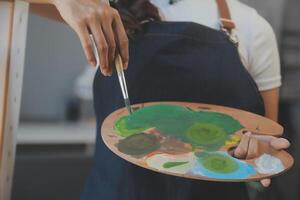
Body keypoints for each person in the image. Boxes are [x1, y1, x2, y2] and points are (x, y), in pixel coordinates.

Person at [24, 0, 290, 199]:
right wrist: (66, 1)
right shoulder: (106, 12)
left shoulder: (253, 28)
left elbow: (265, 144)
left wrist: (257, 153)